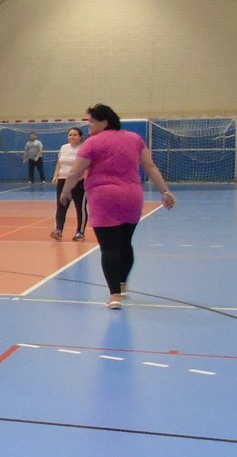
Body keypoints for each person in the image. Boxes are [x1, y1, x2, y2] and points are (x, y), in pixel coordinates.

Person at [56, 104, 177, 309]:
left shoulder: (92, 143)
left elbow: (75, 172)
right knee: (125, 243)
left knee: (109, 248)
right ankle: (122, 283)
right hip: (132, 197)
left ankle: (115, 296)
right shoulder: (135, 139)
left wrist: (65, 192)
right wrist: (165, 191)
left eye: (92, 121)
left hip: (104, 198)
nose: (88, 125)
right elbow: (149, 166)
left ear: (105, 122)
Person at [50, 127, 88, 241]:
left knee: (80, 207)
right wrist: (56, 175)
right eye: (70, 135)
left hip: (78, 181)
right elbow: (59, 163)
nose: (72, 137)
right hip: (63, 180)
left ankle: (80, 232)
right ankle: (59, 230)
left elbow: (87, 165)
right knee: (61, 206)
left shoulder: (84, 148)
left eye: (75, 135)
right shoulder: (64, 147)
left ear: (80, 137)